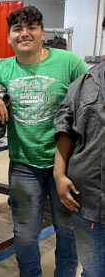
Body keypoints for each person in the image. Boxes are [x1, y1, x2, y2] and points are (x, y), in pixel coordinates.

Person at [0, 5, 87, 276]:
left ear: (43, 33)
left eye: (31, 27)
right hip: (24, 166)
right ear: (9, 37)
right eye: (17, 29)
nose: (25, 33)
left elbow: (90, 97)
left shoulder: (69, 62)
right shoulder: (2, 67)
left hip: (67, 165)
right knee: (24, 235)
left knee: (68, 232)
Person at [53, 62, 105, 277]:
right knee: (94, 271)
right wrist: (59, 174)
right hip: (90, 201)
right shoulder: (85, 83)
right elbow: (65, 127)